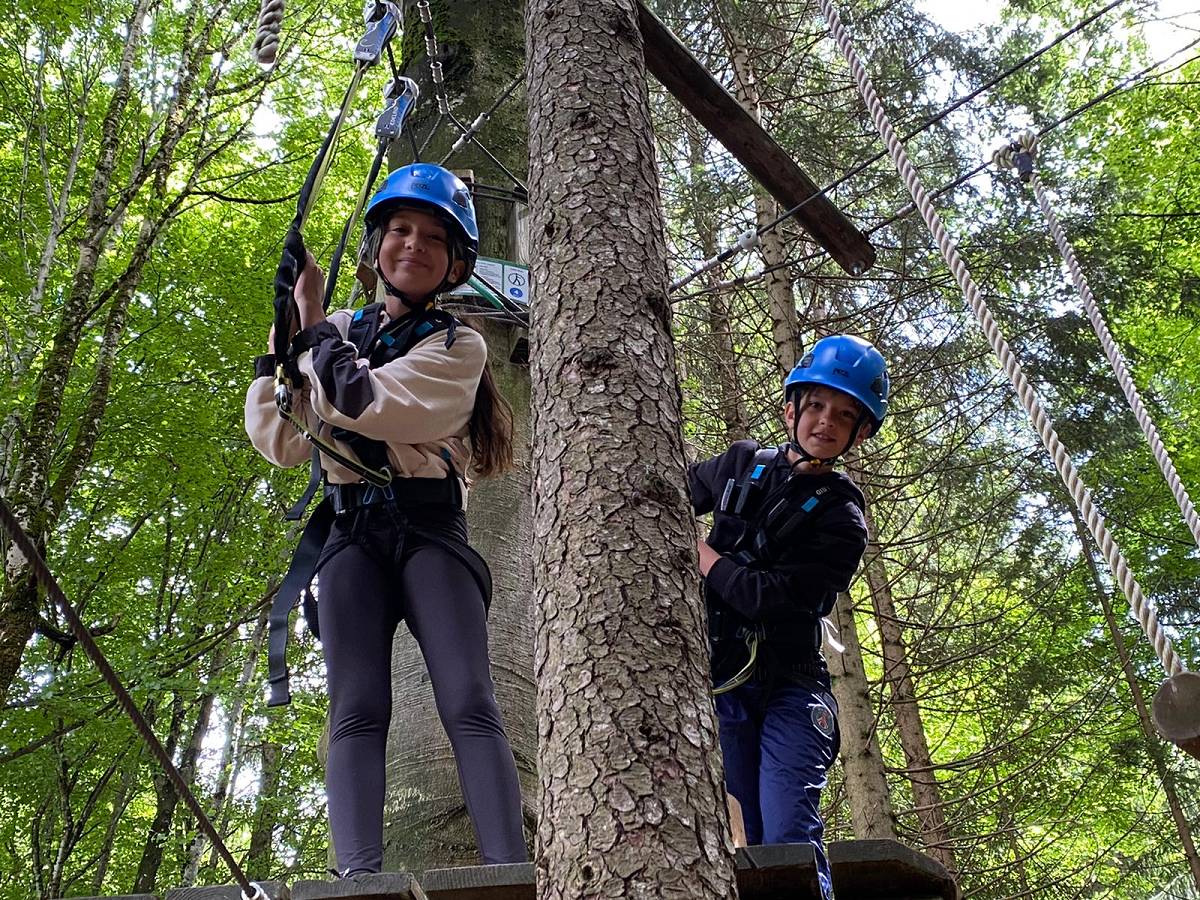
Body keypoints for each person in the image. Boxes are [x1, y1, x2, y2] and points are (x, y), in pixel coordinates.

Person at [244, 163, 527, 875]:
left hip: (430, 529)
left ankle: (507, 870)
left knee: (467, 697)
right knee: (356, 707)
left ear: (456, 263)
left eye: (433, 237)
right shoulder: (339, 330)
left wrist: (312, 327)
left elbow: (361, 401)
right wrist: (282, 339)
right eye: (400, 229)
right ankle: (356, 878)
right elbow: (282, 441)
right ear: (377, 245)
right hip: (349, 534)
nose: (413, 245)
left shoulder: (458, 347)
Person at [688, 334, 889, 900]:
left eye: (845, 415)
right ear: (791, 409)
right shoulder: (740, 464)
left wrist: (702, 556)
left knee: (787, 832)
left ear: (860, 432)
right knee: (744, 837)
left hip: (793, 690)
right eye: (817, 405)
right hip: (723, 685)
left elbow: (768, 597)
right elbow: (663, 493)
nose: (826, 421)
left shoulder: (843, 519)